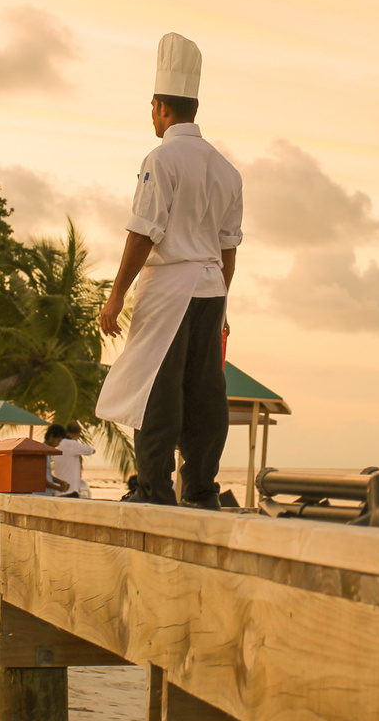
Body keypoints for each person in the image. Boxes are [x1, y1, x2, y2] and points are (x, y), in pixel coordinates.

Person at [97, 33, 242, 511]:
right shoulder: (226, 169)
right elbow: (228, 248)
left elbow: (143, 233)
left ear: (160, 106)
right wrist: (220, 300)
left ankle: (153, 489)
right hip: (209, 287)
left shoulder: (160, 160)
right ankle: (202, 491)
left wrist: (115, 295)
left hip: (168, 284)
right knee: (205, 392)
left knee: (157, 387)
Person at [52, 421, 95, 499]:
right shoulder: (72, 445)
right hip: (70, 491)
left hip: (59, 491)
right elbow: (91, 450)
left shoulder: (59, 443)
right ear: (77, 434)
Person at [40, 425, 71, 496]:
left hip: (47, 493)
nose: (58, 444)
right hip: (41, 494)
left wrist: (61, 482)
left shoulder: (47, 453)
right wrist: (58, 488)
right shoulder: (41, 452)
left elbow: (46, 474)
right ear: (51, 437)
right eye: (58, 441)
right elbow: (40, 478)